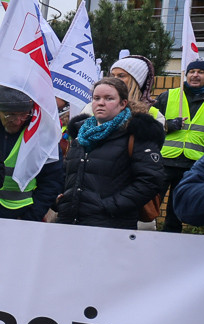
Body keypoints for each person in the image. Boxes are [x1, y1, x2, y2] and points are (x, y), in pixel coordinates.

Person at [57, 77, 165, 229]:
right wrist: (60, 200)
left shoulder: (136, 135)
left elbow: (150, 181)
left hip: (111, 225)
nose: (101, 103)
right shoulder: (81, 134)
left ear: (123, 104)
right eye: (96, 98)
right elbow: (66, 172)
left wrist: (110, 206)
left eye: (109, 98)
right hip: (70, 222)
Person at [154, 56, 204, 232]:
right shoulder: (168, 96)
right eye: (192, 71)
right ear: (185, 74)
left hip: (193, 164)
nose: (195, 75)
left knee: (177, 211)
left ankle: (172, 243)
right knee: (149, 204)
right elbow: (151, 126)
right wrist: (168, 125)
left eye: (201, 72)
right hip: (163, 162)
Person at [0, 87, 63, 221]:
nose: (18, 121)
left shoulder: (42, 131)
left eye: (24, 114)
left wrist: (30, 217)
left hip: (21, 216)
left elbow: (52, 180)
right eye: (11, 115)